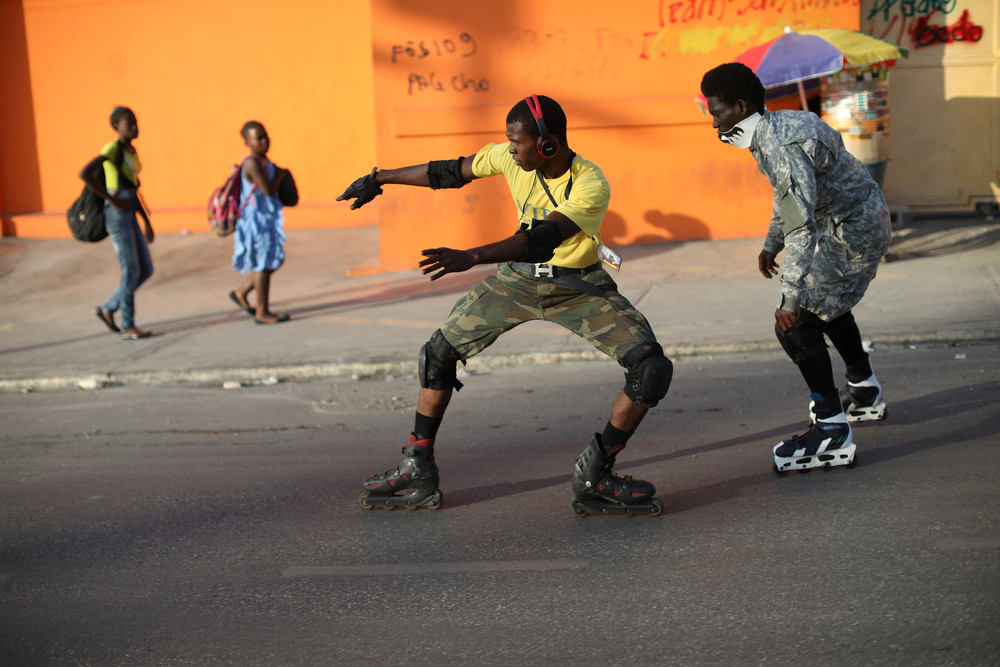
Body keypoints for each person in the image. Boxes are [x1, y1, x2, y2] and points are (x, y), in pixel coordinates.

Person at [337, 95, 673, 515]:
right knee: (437, 354)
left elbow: (542, 239)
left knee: (651, 369)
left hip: (578, 287)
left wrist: (473, 256)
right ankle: (417, 465)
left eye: (518, 142)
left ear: (547, 144)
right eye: (508, 142)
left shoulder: (591, 183)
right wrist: (379, 177)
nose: (510, 150)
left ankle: (595, 471)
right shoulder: (510, 159)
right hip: (518, 282)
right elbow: (447, 172)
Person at [700, 63, 891, 473]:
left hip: (854, 232)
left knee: (796, 322)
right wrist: (773, 242)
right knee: (829, 307)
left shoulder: (779, 145)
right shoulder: (778, 126)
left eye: (716, 112)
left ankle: (831, 428)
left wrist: (789, 296)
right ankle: (863, 389)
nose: (713, 122)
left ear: (740, 105)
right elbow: (787, 196)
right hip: (855, 221)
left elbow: (801, 223)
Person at [82, 105, 155, 340]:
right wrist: (111, 199)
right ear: (116, 127)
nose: (135, 127)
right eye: (129, 123)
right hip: (117, 213)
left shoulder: (131, 151)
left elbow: (133, 188)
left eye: (136, 122)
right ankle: (127, 325)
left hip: (131, 209)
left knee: (146, 269)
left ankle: (108, 308)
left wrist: (146, 222)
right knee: (131, 269)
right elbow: (85, 173)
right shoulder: (112, 149)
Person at [228, 121, 291, 324]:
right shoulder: (252, 163)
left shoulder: (265, 161)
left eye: (265, 135)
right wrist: (281, 175)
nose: (264, 141)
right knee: (264, 264)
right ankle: (262, 312)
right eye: (258, 138)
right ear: (247, 142)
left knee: (273, 260)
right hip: (255, 221)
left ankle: (241, 292)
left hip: (267, 218)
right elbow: (268, 190)